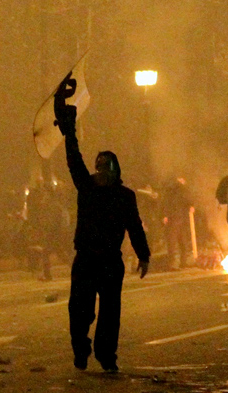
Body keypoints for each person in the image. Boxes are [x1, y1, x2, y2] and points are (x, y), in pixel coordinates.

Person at [55, 75, 150, 373]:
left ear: (114, 170)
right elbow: (73, 159)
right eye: (96, 165)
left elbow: (134, 226)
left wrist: (144, 254)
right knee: (79, 311)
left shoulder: (124, 196)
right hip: (85, 259)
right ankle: (80, 349)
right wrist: (69, 131)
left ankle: (107, 356)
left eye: (103, 166)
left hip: (110, 262)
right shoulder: (87, 187)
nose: (98, 170)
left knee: (110, 313)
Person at [162, 177, 194, 270]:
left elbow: (186, 199)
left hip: (180, 218)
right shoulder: (174, 189)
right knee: (173, 241)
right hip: (175, 218)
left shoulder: (178, 190)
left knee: (181, 241)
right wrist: (165, 215)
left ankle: (182, 262)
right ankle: (173, 264)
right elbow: (166, 202)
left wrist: (191, 205)